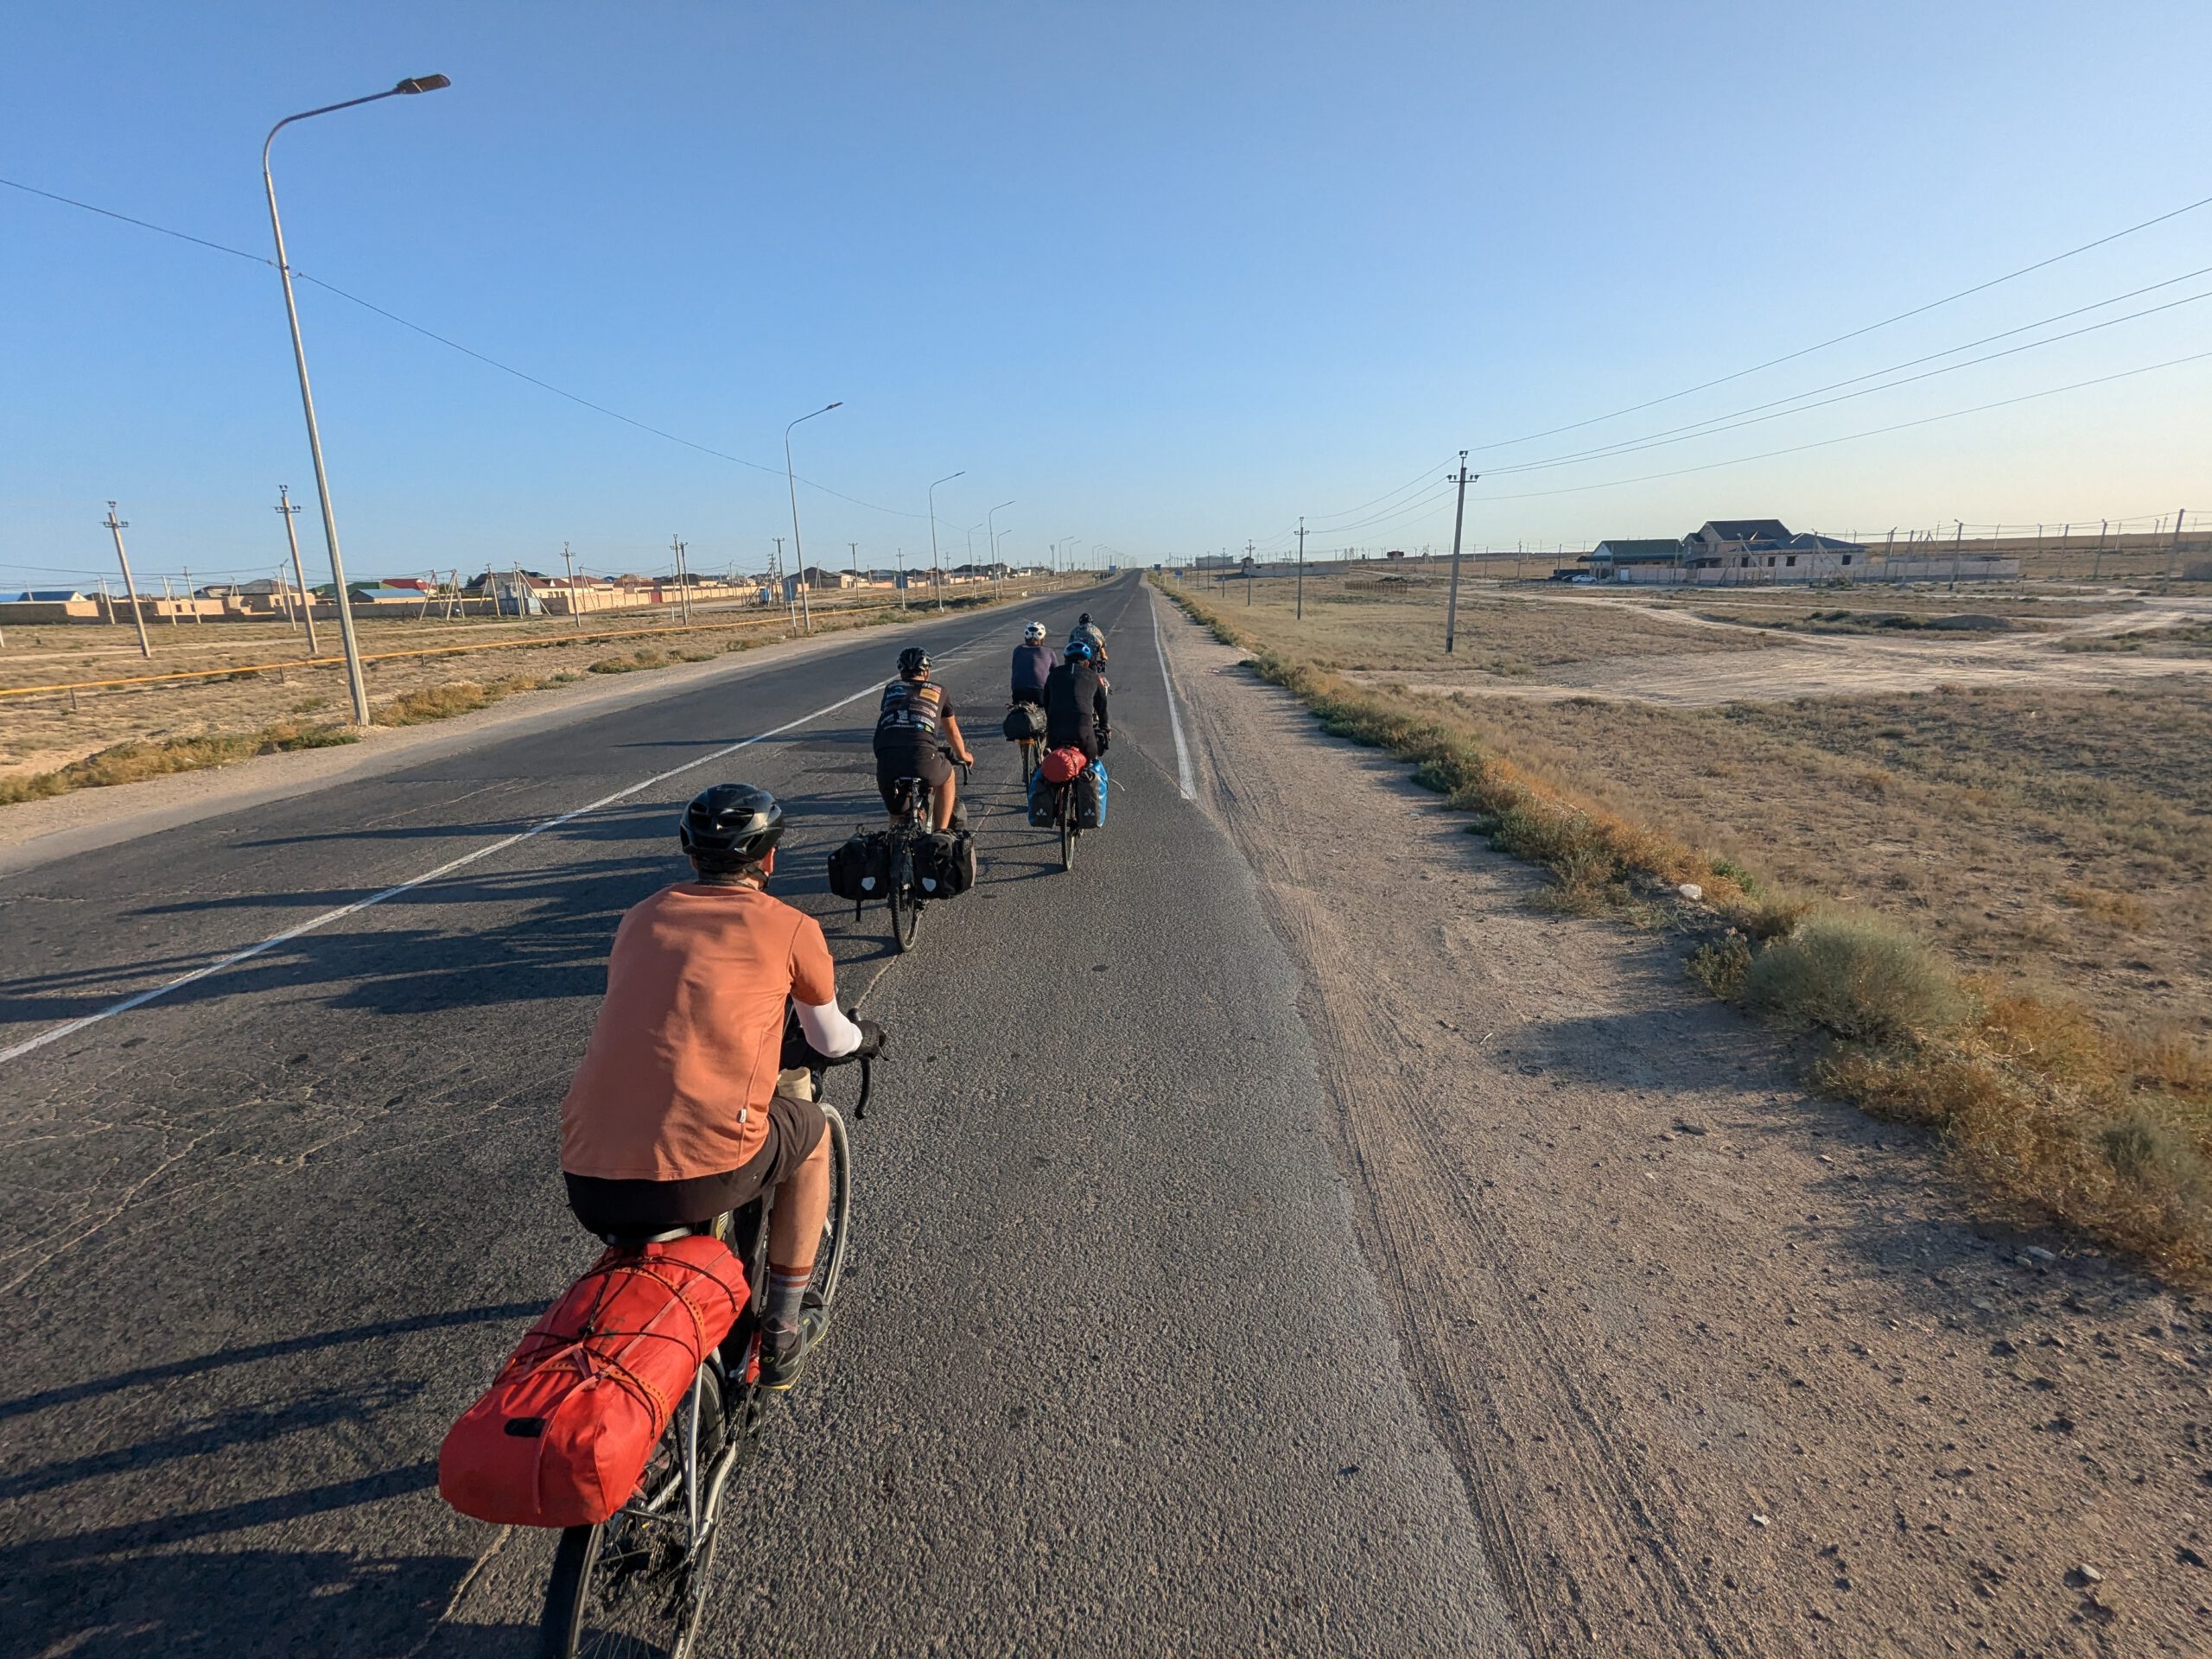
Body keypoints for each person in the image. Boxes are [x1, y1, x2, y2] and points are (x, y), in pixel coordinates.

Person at [560, 784, 886, 1389]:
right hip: (702, 1170)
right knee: (810, 1136)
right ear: (768, 859)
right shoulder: (790, 927)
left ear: (691, 857)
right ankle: (784, 1327)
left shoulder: (640, 917)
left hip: (587, 1178)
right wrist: (867, 1039)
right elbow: (830, 1040)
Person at [873, 646, 975, 832]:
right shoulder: (939, 691)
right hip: (923, 757)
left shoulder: (891, 689)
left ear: (901, 672)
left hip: (887, 759)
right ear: (927, 672)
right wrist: (964, 755)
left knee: (897, 814)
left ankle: (893, 849)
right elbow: (952, 731)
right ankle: (941, 834)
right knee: (948, 775)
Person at [1044, 637, 1111, 762]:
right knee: (1091, 762)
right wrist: (1104, 726)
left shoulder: (1053, 675)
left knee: (1054, 763)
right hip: (1082, 730)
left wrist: (1052, 720)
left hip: (1056, 731)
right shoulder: (1093, 677)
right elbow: (1102, 705)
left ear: (1065, 660)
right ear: (1087, 662)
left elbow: (1046, 702)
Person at [1010, 621, 1058, 709]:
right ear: (1043, 638)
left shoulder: (1018, 650)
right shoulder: (1048, 651)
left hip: (1018, 692)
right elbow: (1056, 673)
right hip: (1039, 692)